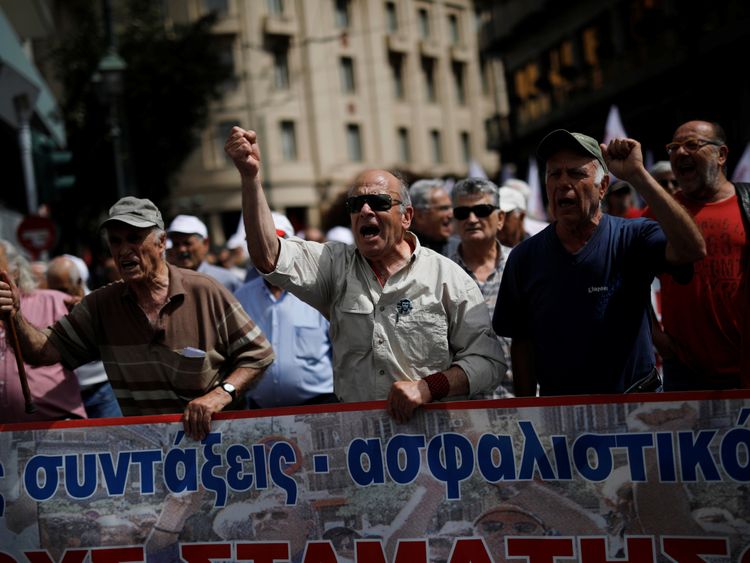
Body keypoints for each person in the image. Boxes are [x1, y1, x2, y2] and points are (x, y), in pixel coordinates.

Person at [225, 127, 506, 422]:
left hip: (434, 443)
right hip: (360, 445)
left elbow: (489, 362)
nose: (366, 210)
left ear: (406, 217)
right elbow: (268, 256)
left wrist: (427, 387)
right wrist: (250, 178)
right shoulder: (332, 265)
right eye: (356, 204)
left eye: (380, 203)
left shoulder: (448, 277)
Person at [0, 197, 275, 440]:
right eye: (116, 241)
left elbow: (259, 354)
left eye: (134, 238)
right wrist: (15, 316)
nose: (123, 250)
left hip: (217, 446)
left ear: (160, 243)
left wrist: (221, 394)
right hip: (150, 455)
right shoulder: (101, 305)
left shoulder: (204, 291)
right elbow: (42, 352)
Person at [493, 129, 706, 396]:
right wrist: (527, 417)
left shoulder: (634, 236)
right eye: (554, 174)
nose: (562, 183)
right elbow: (522, 343)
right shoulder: (524, 257)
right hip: (561, 418)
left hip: (636, 411)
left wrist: (639, 176)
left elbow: (692, 248)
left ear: (603, 186)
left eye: (576, 173)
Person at [651, 121, 749, 389]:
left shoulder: (747, 205)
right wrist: (653, 333)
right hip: (686, 372)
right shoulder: (661, 212)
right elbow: (626, 276)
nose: (680, 153)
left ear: (722, 155)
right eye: (673, 147)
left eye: (692, 145)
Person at [234, 213, 336, 408]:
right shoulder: (241, 297)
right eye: (256, 243)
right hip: (260, 411)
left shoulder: (318, 291)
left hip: (320, 406)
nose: (263, 250)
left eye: (271, 241)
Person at [0, 240, 86, 423]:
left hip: (59, 429)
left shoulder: (56, 301)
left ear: (14, 273)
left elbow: (94, 347)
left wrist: (84, 313)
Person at [448, 178, 514, 397]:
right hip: (465, 414)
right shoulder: (440, 274)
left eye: (482, 210)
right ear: (454, 221)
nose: (472, 219)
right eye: (462, 213)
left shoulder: (523, 265)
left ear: (501, 218)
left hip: (524, 403)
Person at [46, 256, 122, 418]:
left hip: (102, 391)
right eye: (53, 290)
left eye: (63, 289)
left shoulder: (98, 303)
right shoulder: (48, 304)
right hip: (68, 397)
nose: (58, 296)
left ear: (78, 282)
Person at [166, 214, 242, 292]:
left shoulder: (227, 280)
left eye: (187, 243)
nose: (181, 249)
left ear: (205, 243)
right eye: (176, 244)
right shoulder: (166, 282)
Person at [408, 178, 455, 255]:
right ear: (420, 216)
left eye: (451, 207)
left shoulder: (461, 249)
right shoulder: (403, 250)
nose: (451, 214)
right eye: (444, 208)